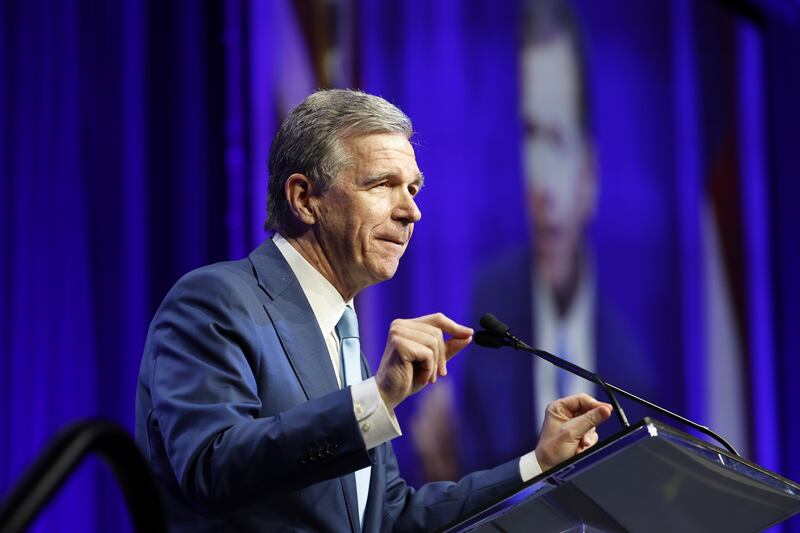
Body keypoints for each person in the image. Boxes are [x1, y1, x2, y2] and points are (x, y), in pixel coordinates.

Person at [135, 89, 612, 532]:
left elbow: (386, 519)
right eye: (383, 184)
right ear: (305, 199)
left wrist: (538, 465)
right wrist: (375, 400)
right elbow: (210, 467)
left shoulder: (341, 335)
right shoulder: (215, 300)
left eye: (414, 189)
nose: (411, 211)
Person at [413, 0, 653, 481]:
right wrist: (443, 470)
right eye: (529, 140)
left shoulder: (640, 334)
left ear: (590, 171)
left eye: (557, 141)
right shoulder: (490, 305)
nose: (541, 182)